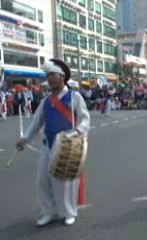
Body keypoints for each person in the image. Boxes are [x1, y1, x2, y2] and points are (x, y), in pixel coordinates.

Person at [16, 59, 90, 226]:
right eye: (48, 75)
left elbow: (85, 118)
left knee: (65, 182)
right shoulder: (46, 101)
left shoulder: (74, 96)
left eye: (52, 75)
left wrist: (78, 132)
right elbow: (36, 122)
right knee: (42, 180)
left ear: (62, 76)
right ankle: (49, 211)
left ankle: (69, 212)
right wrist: (25, 139)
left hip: (67, 145)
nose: (49, 78)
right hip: (48, 145)